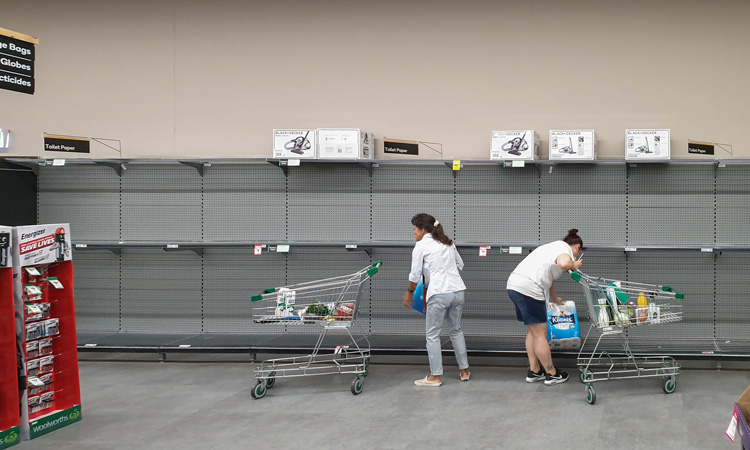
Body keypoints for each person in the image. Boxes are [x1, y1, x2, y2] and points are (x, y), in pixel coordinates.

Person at [506, 229, 583, 385]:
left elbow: (550, 279)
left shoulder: (550, 248)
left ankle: (534, 371)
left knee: (533, 331)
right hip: (530, 288)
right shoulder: (564, 248)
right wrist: (574, 264)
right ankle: (552, 373)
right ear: (577, 247)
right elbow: (563, 263)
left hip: (515, 285)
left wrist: (554, 298)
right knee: (541, 334)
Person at [403, 213, 470, 387]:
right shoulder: (447, 242)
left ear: (423, 229)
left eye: (414, 230)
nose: (414, 233)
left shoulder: (420, 246)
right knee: (456, 330)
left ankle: (435, 376)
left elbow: (414, 274)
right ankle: (464, 371)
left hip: (439, 294)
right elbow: (460, 265)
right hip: (458, 292)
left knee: (432, 335)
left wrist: (410, 292)